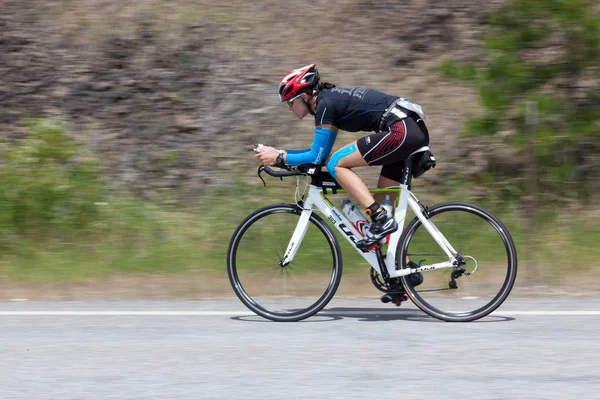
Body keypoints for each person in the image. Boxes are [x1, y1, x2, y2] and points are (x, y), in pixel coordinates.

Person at [255, 64, 428, 304]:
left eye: (290, 101)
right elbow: (318, 155)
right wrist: (283, 157)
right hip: (408, 128)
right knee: (380, 211)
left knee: (339, 164)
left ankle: (380, 217)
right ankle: (402, 271)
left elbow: (321, 159)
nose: (289, 108)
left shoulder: (325, 104)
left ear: (304, 96)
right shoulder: (328, 106)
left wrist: (280, 157)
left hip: (401, 130)